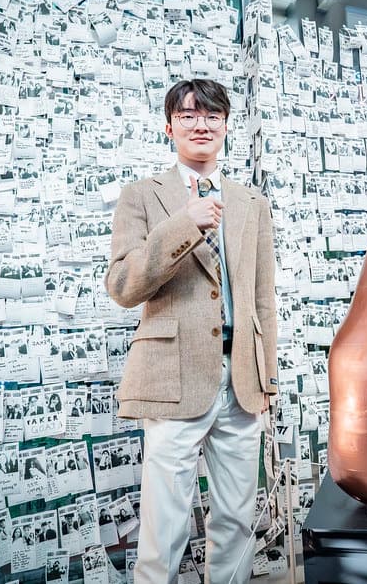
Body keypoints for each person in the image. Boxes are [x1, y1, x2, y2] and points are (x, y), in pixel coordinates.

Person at [106, 79, 277, 583]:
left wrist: (265, 379)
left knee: (237, 520)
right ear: (170, 127)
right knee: (164, 527)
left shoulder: (252, 204)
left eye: (212, 116)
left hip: (241, 381)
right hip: (171, 379)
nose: (200, 124)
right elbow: (122, 285)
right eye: (188, 116)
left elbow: (262, 300)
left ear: (225, 127)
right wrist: (185, 224)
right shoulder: (141, 196)